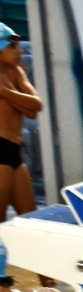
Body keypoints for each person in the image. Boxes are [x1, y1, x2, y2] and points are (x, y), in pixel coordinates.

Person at [0, 23, 40, 220]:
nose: (19, 50)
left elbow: (36, 106)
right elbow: (30, 108)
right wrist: (18, 101)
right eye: (12, 46)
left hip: (15, 151)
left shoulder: (17, 72)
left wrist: (4, 92)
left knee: (31, 219)